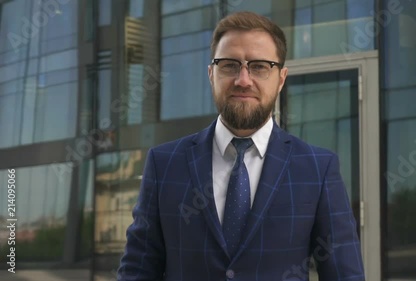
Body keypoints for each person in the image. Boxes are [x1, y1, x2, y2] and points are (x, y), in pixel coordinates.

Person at [117, 11, 365, 281]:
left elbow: (344, 275)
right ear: (211, 74)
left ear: (281, 79)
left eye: (259, 66)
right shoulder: (164, 164)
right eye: (230, 65)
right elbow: (137, 271)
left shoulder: (318, 169)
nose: (243, 80)